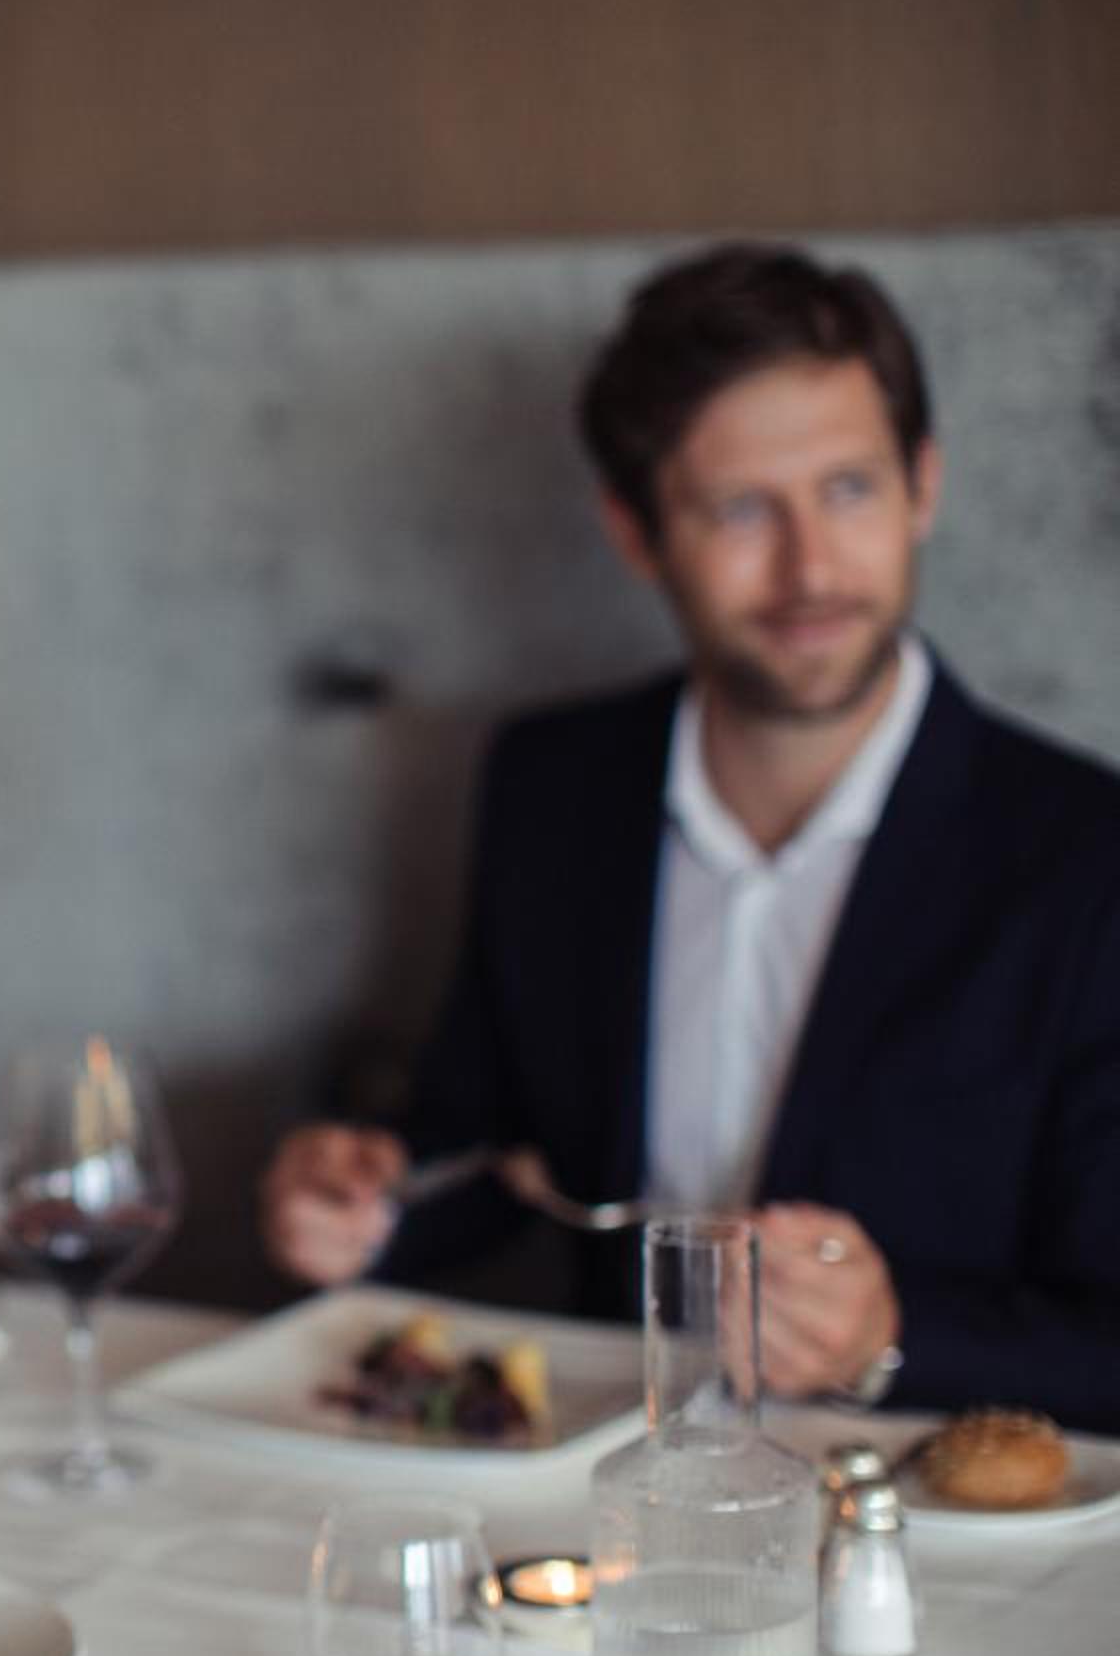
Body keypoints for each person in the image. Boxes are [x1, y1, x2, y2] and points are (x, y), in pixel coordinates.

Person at [259, 244, 1120, 1433]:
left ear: (923, 485)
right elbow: (498, 1152)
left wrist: (890, 1335)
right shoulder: (552, 785)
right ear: (637, 531)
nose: (810, 567)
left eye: (850, 489)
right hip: (608, 1481)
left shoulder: (1086, 854)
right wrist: (364, 1204)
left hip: (922, 1512)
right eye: (742, 509)